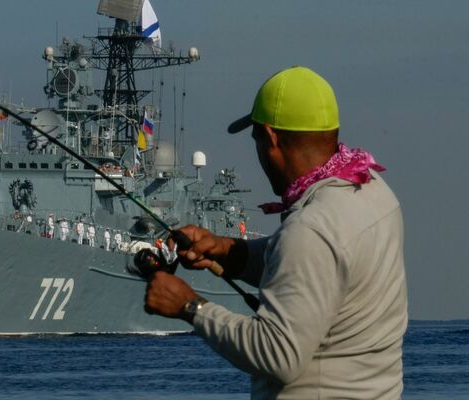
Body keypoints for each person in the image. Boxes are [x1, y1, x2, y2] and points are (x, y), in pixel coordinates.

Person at [144, 66, 407, 399]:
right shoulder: (373, 190)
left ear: (270, 138)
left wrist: (190, 306)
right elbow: (316, 267)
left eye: (255, 140)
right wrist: (227, 250)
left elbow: (277, 354)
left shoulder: (310, 229)